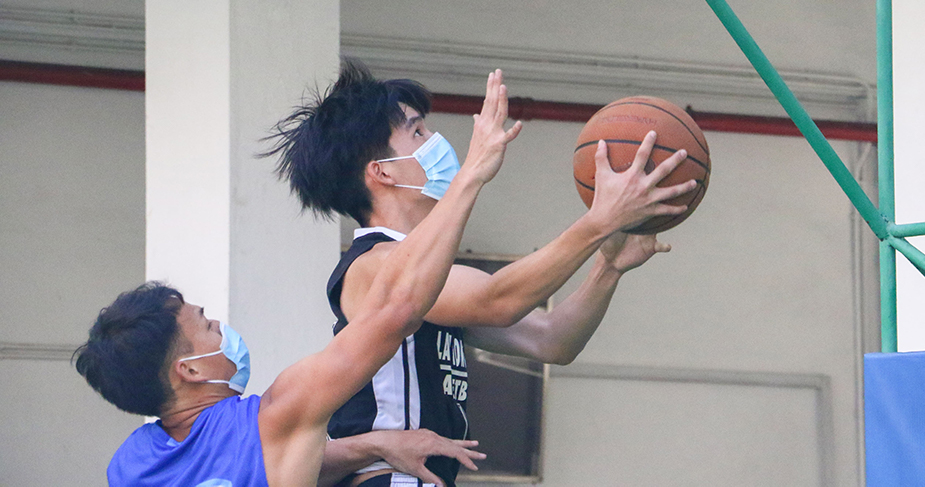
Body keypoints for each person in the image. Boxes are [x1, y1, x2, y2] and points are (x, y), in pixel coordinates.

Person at [73, 71, 523, 487]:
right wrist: (472, 175)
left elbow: (277, 460)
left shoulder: (130, 465)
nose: (223, 330)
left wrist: (374, 444)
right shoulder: (273, 416)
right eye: (207, 326)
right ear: (189, 369)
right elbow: (398, 310)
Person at [265, 62, 697, 487]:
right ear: (382, 171)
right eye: (418, 132)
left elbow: (552, 339)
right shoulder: (371, 264)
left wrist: (608, 266)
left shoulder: (427, 278)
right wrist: (597, 221)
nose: (436, 140)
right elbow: (497, 299)